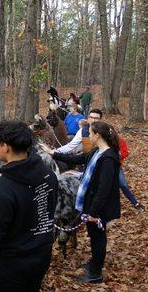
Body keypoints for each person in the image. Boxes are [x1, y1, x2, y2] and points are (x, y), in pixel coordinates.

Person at [0, 120, 58, 291]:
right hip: (42, 255)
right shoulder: (48, 175)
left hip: (11, 263)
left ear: (6, 147)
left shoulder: (2, 188)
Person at [44, 121, 121, 283]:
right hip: (91, 202)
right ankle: (94, 263)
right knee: (94, 236)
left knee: (99, 238)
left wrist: (93, 212)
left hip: (100, 207)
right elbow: (78, 158)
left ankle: (95, 273)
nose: (89, 136)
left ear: (98, 135)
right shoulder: (96, 152)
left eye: (91, 133)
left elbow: (104, 188)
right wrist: (53, 153)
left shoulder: (109, 158)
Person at [55, 109, 144, 210]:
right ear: (87, 118)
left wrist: (115, 157)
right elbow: (71, 146)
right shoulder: (83, 131)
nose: (93, 120)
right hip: (88, 163)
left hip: (107, 163)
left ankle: (134, 202)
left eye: (96, 118)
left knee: (121, 184)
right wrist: (55, 151)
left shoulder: (106, 130)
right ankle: (82, 208)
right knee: (85, 186)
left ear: (101, 119)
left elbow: (121, 146)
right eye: (91, 117)